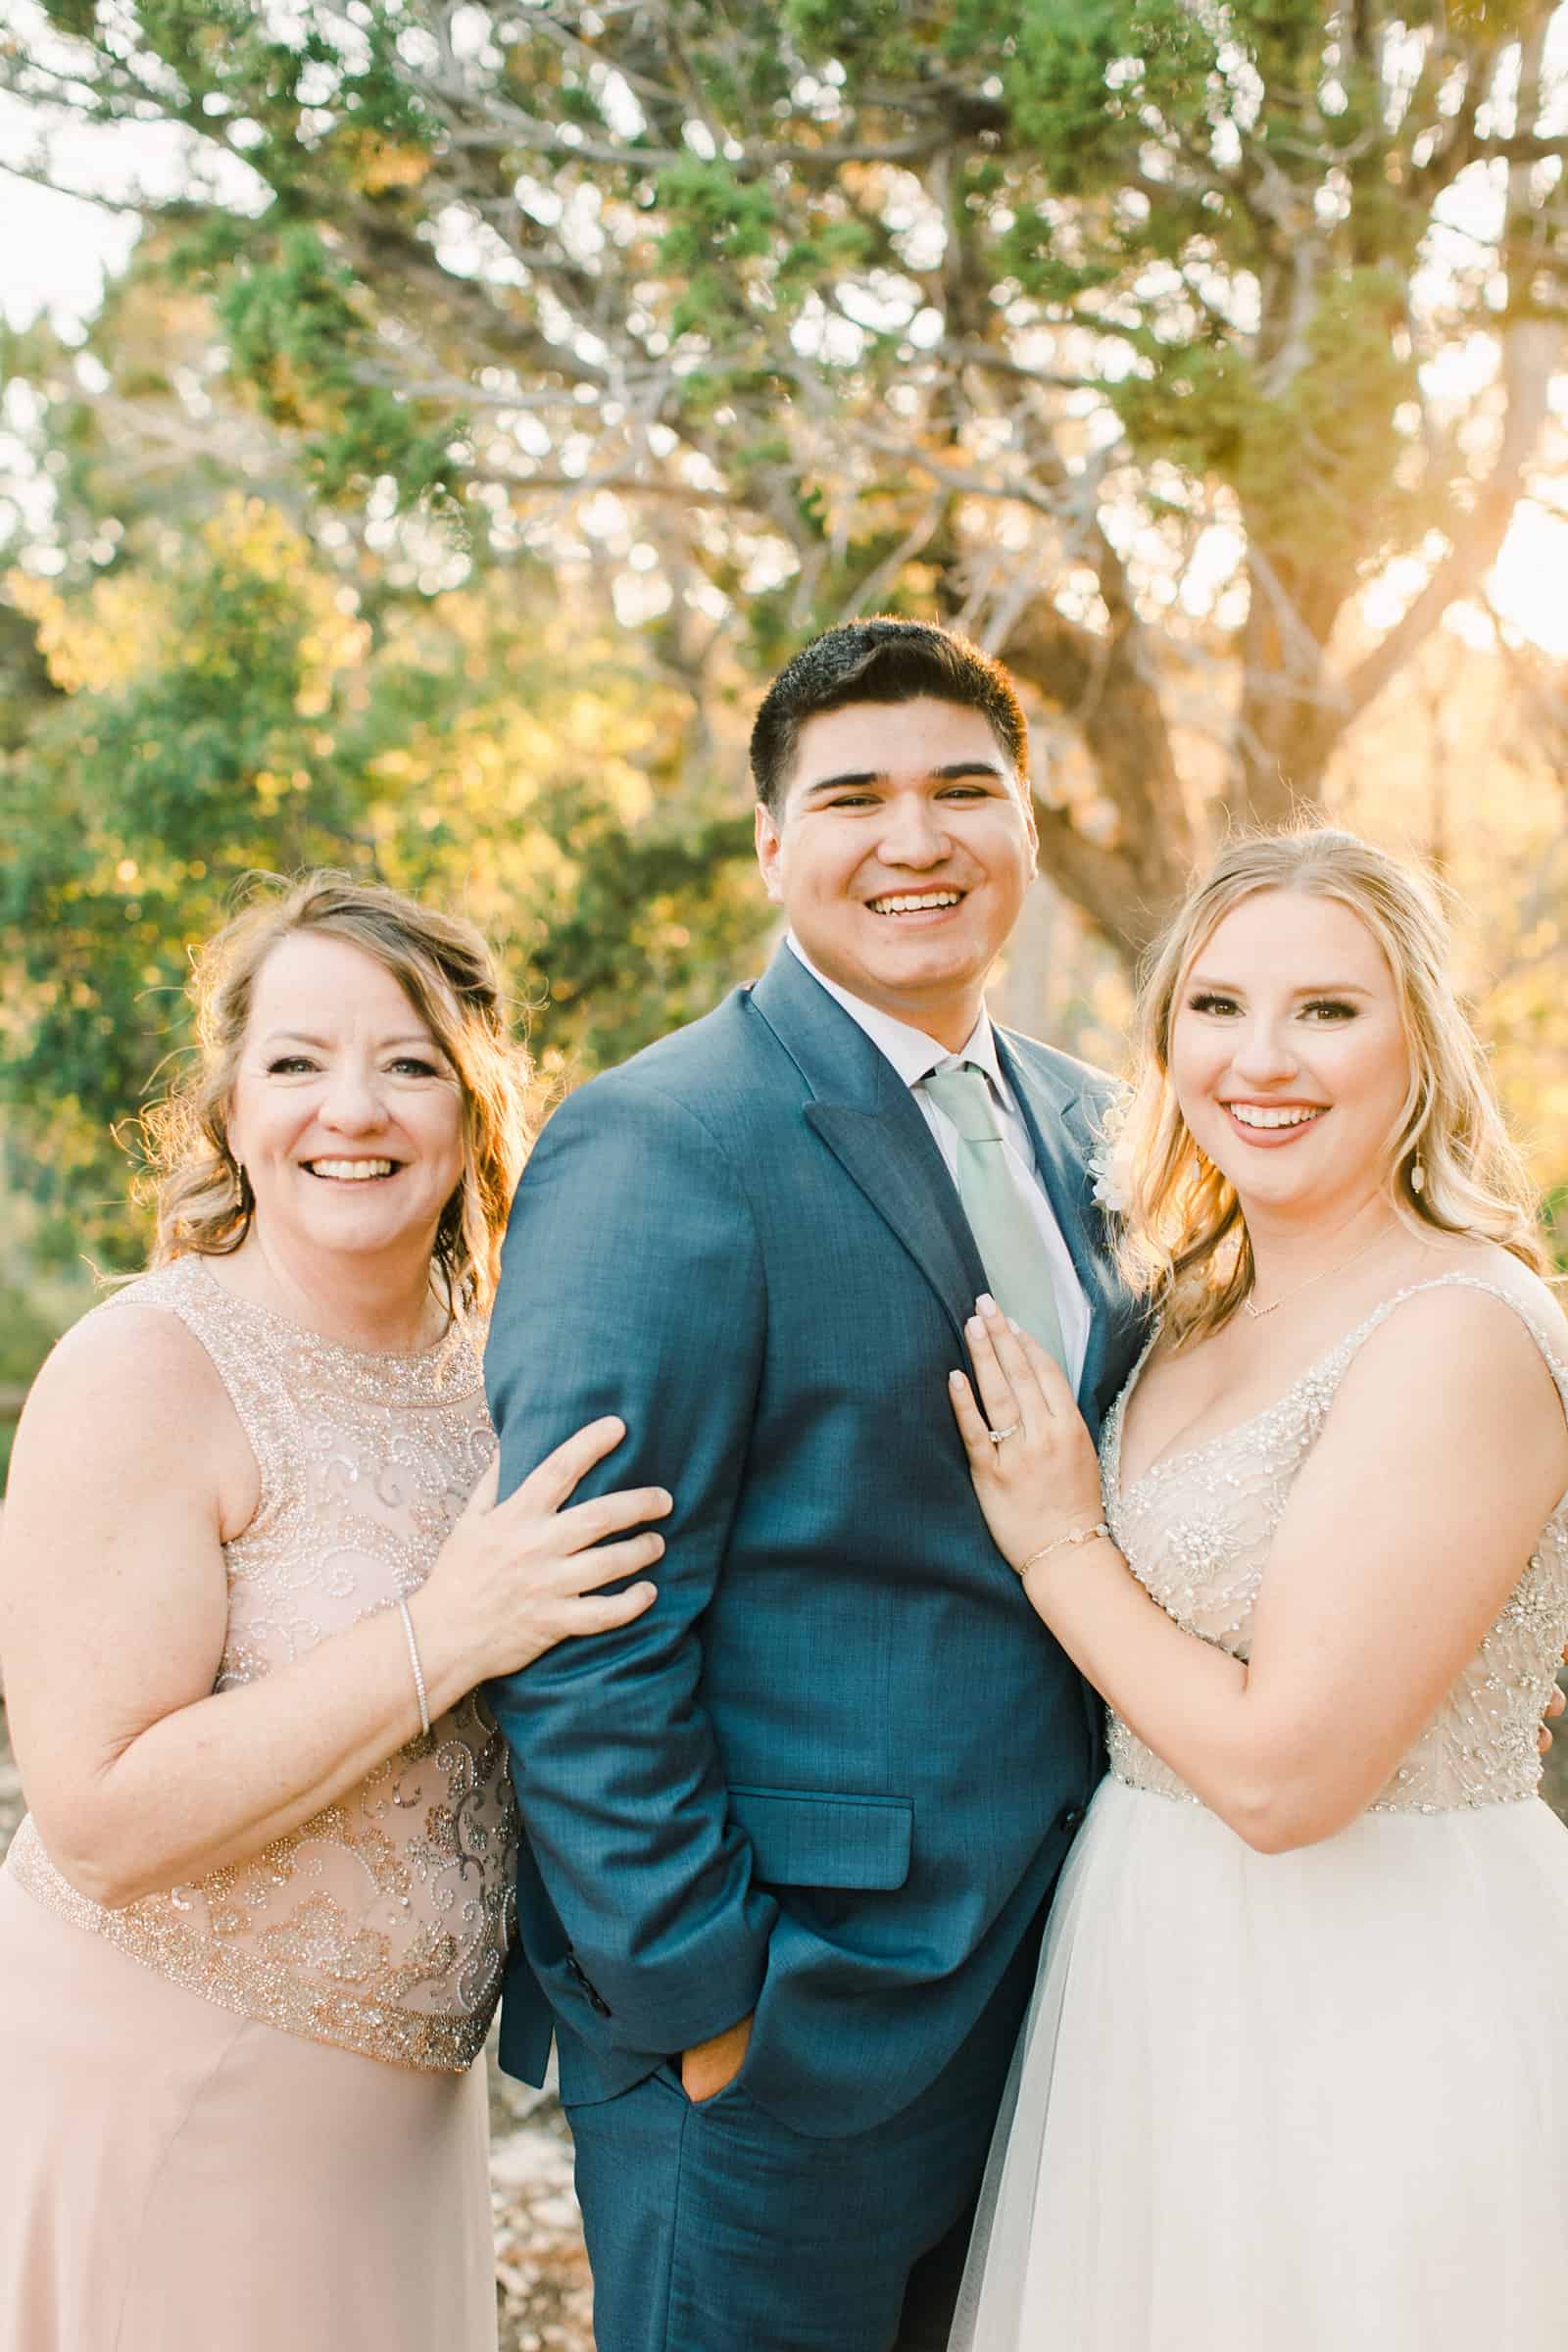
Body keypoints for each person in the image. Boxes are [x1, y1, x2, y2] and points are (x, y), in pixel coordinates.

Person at [482, 618, 1149, 2351]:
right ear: (775, 843)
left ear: (1026, 818)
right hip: (793, 2025)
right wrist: (708, 1998)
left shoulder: (1107, 1129)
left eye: (962, 791)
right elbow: (583, 1627)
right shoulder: (664, 1141)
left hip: (1079, 2002)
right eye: (853, 797)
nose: (912, 839)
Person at [0, 874, 670, 2352]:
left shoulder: (510, 1367)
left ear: (476, 1103)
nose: (350, 1110)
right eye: (298, 1063)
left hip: (400, 2140)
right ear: (231, 1106)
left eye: (407, 1064)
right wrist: (447, 1631)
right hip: (165, 2094)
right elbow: (98, 1816)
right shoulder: (150, 1371)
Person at [947, 828, 1568, 2348]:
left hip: (1375, 1995)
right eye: (1214, 1008)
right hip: (1154, 1975)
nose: (1260, 1060)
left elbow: (1294, 1776)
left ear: (1417, 1040)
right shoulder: (1191, 1308)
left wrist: (1057, 1545)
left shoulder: (1457, 1331)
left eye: (1327, 1011)